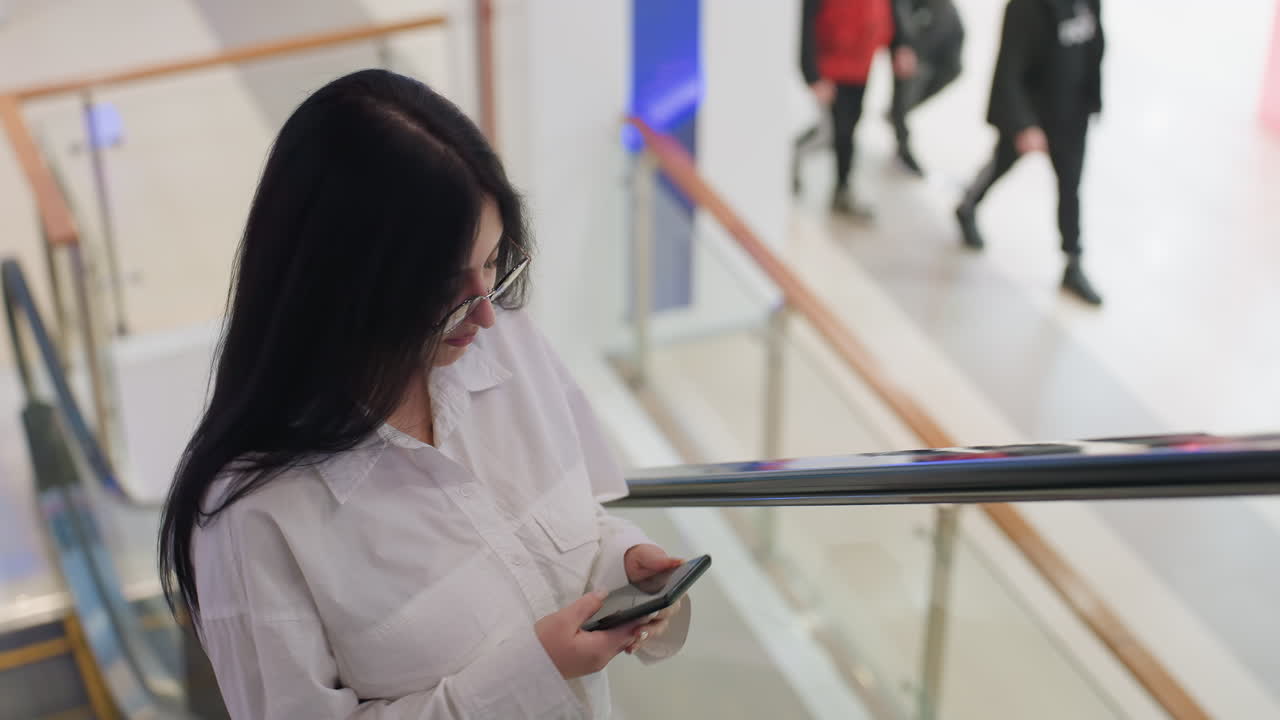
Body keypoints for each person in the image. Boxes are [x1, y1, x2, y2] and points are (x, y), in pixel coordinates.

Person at [158, 69, 691, 719]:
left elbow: (554, 532)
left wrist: (622, 566)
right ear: (346, 283)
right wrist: (529, 675)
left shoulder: (504, 343)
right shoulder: (255, 514)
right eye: (445, 284)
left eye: (494, 264)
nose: (486, 312)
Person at [955, 0, 1105, 305]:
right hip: (1036, 111)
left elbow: (1096, 45)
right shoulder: (1026, 7)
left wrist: (1093, 98)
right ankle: (968, 205)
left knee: (1070, 186)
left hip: (1072, 114)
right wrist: (1023, 124)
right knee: (1002, 164)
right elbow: (1009, 65)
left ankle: (1073, 260)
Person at [798, 0, 919, 218]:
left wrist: (901, 45)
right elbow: (805, 22)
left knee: (849, 130)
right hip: (830, 67)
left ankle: (842, 189)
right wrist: (812, 75)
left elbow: (891, 9)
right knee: (831, 133)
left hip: (860, 65)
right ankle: (792, 156)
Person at [888, 0, 965, 176]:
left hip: (936, 39)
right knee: (903, 96)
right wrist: (904, 44)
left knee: (905, 102)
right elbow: (900, 7)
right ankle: (903, 146)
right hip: (911, 43)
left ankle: (897, 114)